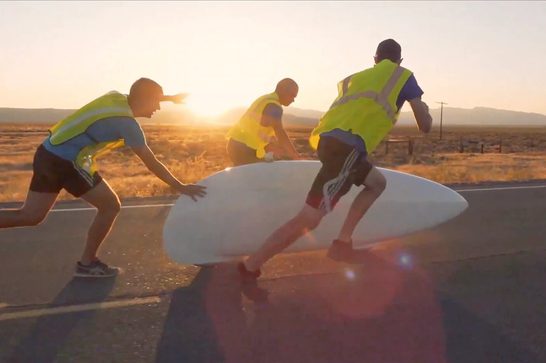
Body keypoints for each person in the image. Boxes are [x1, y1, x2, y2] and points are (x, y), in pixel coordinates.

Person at [238, 39, 433, 279]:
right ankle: (250, 266)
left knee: (376, 183)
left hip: (328, 143)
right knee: (310, 218)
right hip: (347, 148)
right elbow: (424, 124)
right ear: (399, 60)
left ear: (375, 60)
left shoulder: (356, 78)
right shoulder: (402, 75)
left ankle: (343, 243)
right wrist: (427, 115)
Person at [0, 78, 207, 278]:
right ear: (144, 100)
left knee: (30, 215)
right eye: (157, 102)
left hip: (47, 153)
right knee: (110, 206)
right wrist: (179, 186)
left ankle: (87, 263)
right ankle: (87, 264)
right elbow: (150, 162)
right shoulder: (127, 124)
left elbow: (139, 94)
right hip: (66, 162)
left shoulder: (116, 99)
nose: (158, 108)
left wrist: (169, 98)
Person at [226, 78, 301, 166]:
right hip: (243, 149)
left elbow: (258, 130)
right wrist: (295, 156)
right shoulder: (274, 107)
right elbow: (280, 132)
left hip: (236, 146)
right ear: (282, 90)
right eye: (292, 95)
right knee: (263, 174)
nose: (293, 100)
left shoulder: (265, 99)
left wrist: (270, 146)